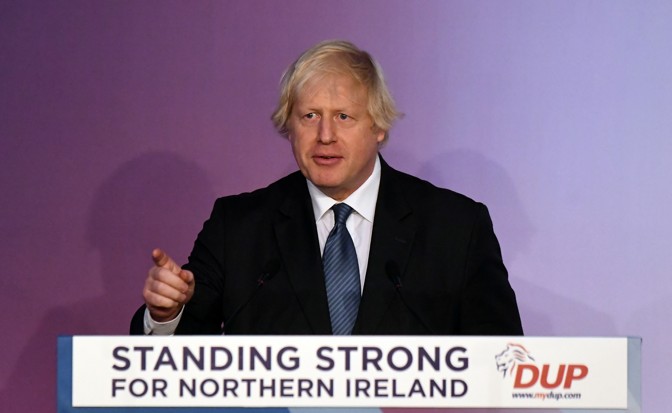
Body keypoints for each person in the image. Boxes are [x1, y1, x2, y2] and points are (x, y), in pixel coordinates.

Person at [130, 40, 523, 336]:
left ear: (379, 126)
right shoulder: (238, 226)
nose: (325, 135)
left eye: (344, 116)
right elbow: (181, 364)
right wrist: (166, 314)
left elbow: (503, 362)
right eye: (310, 115)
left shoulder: (456, 228)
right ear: (290, 126)